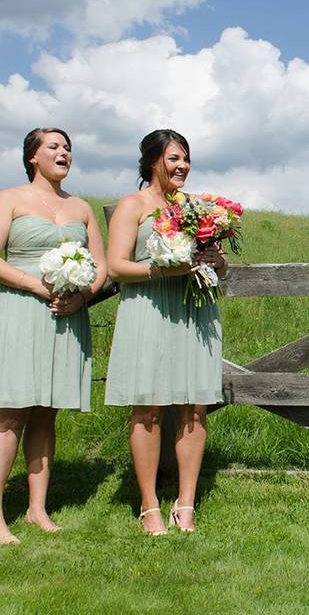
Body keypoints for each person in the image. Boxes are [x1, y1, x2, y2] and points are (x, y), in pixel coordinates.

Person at [104, 129, 226, 535]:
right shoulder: (132, 205)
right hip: (148, 309)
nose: (182, 166)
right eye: (174, 158)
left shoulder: (198, 207)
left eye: (186, 158)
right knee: (148, 406)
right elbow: (117, 267)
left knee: (194, 406)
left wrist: (213, 258)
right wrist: (163, 268)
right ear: (153, 161)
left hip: (193, 311)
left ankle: (186, 504)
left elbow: (218, 265)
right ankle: (149, 505)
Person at [0, 128, 107, 544]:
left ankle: (37, 509)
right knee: (10, 413)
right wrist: (33, 284)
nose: (64, 153)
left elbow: (100, 265)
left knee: (46, 411)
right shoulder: (10, 199)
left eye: (68, 148)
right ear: (33, 157)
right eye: (54, 147)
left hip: (66, 317)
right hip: (19, 310)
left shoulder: (81, 207)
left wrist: (82, 297)